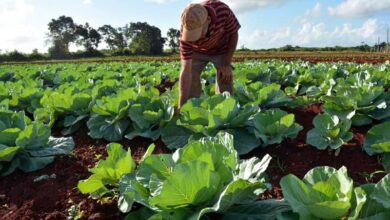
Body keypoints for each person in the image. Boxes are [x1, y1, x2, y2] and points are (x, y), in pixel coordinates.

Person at [178, 0, 240, 109]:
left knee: (225, 79)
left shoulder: (222, 11)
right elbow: (185, 70)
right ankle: (192, 110)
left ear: (208, 20)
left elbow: (233, 33)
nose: (196, 38)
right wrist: (181, 106)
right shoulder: (186, 30)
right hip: (197, 52)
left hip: (221, 49)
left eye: (198, 32)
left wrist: (226, 63)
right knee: (191, 76)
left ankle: (224, 112)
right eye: (191, 34)